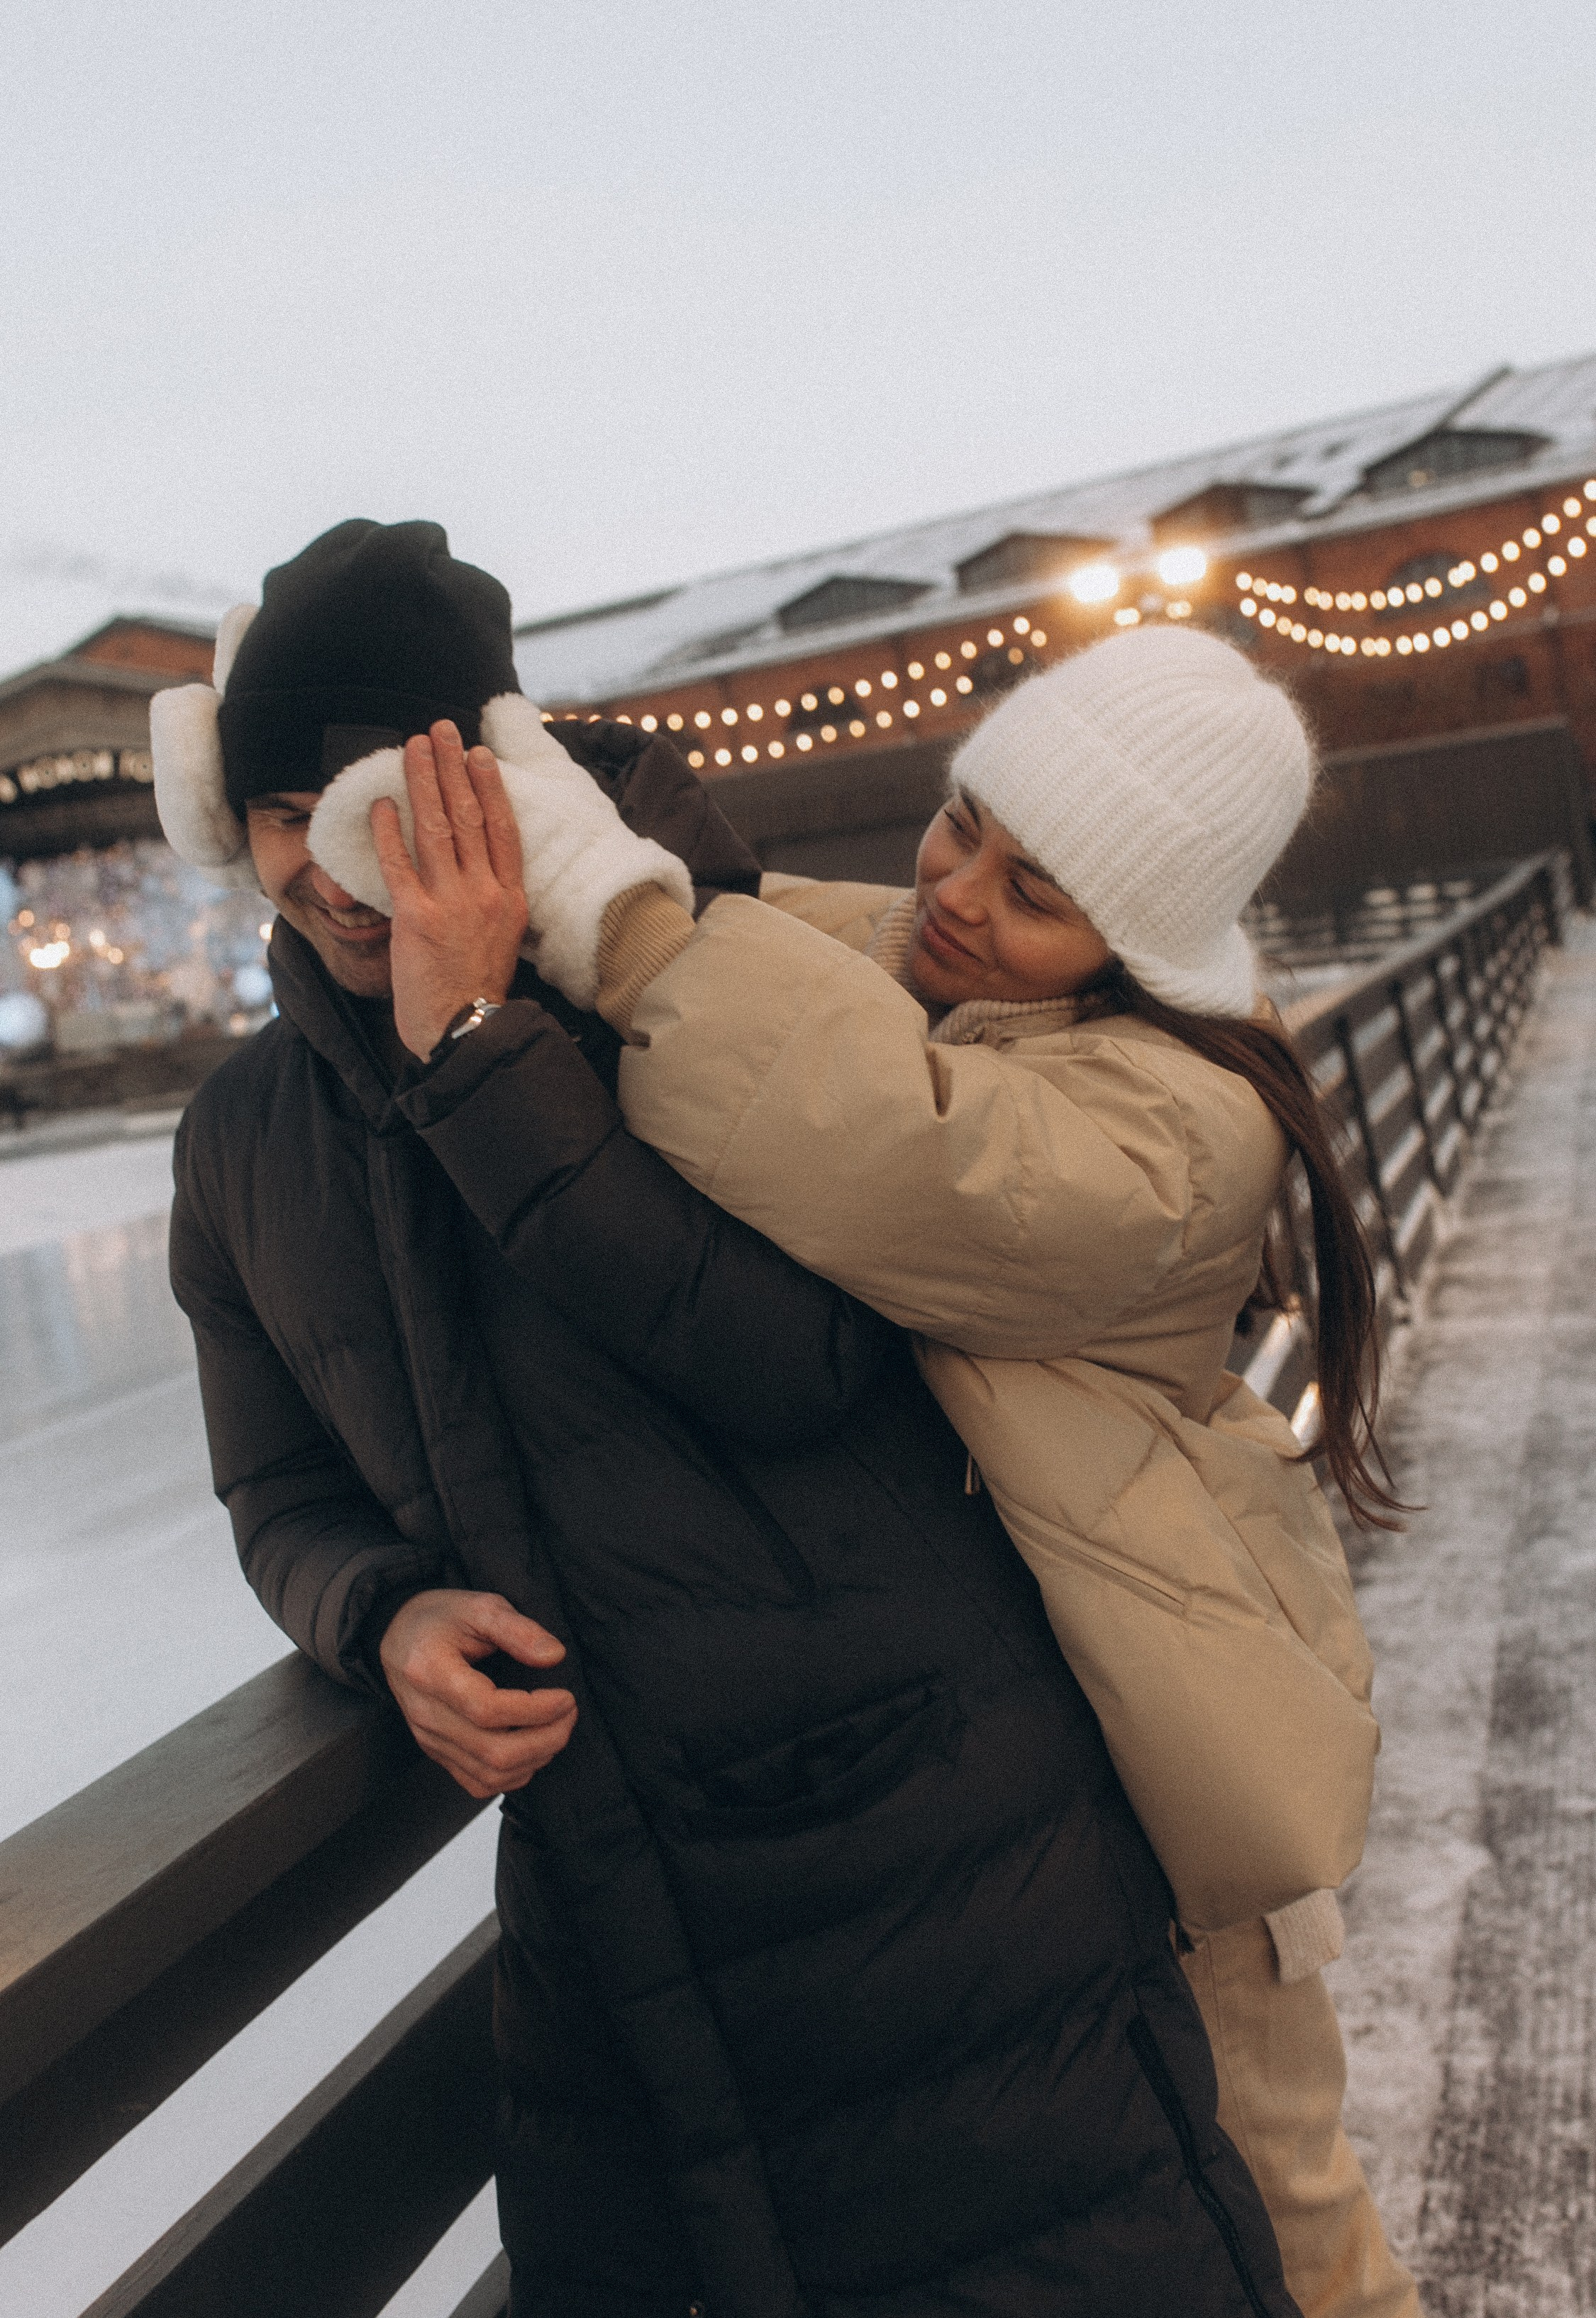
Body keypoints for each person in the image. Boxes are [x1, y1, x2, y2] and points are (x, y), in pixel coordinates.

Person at [154, 520, 1302, 2318]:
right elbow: (274, 1485)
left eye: (370, 796)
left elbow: (799, 1355)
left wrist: (480, 1049)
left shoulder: (678, 993)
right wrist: (378, 1611)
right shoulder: (239, 1143)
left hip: (928, 1866)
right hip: (601, 1934)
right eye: (277, 812)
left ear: (489, 773)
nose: (328, 860)